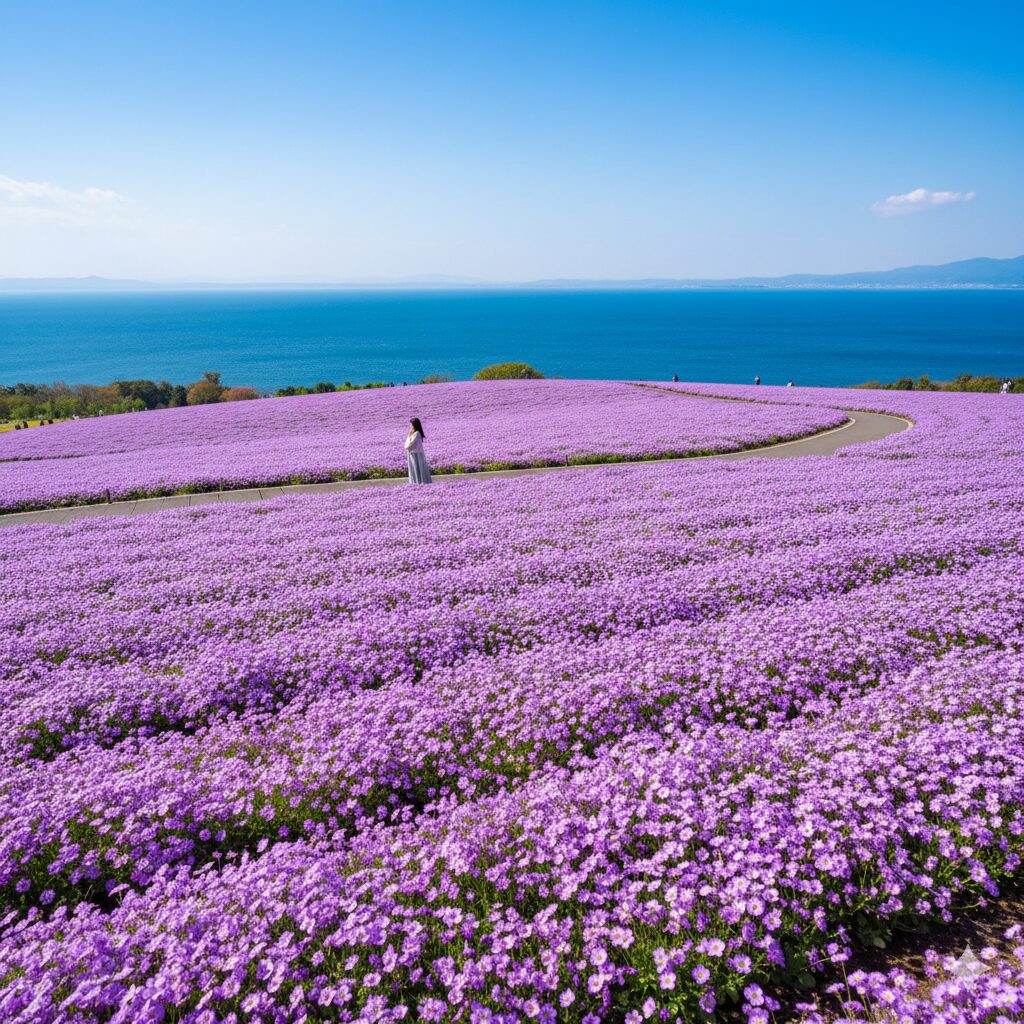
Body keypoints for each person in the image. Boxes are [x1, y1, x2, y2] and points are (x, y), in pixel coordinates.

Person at [405, 417, 432, 484]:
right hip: (413, 453)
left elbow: (409, 443)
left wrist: (409, 436)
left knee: (416, 469)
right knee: (416, 469)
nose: (410, 426)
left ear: (415, 425)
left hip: (416, 454)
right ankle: (417, 483)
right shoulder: (414, 433)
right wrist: (409, 435)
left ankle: (419, 483)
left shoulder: (417, 433)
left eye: (411, 424)